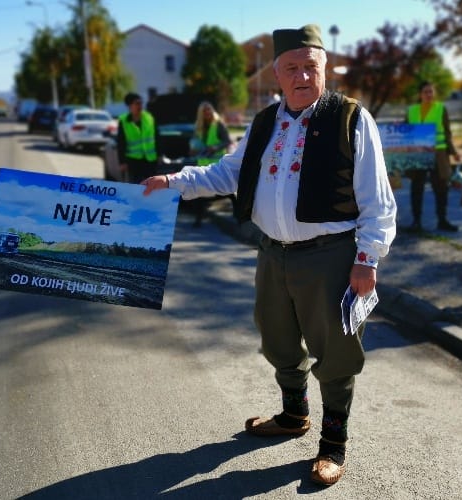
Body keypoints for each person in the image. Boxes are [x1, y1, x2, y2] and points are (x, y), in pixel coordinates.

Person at [141, 24, 396, 486]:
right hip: (272, 253)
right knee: (277, 339)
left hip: (331, 257)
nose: (302, 77)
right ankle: (294, 415)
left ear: (325, 69)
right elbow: (227, 174)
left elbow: (378, 200)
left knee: (336, 353)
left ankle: (333, 444)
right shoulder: (264, 123)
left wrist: (368, 259)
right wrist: (173, 182)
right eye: (292, 68)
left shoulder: (351, 118)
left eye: (310, 67)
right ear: (276, 74)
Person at [404, 81, 462, 232]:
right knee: (417, 188)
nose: (429, 94)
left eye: (431, 91)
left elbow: (447, 133)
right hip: (418, 154)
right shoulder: (411, 111)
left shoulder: (441, 109)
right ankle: (416, 221)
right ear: (420, 94)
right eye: (425, 92)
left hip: (439, 153)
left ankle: (442, 220)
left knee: (441, 188)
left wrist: (454, 152)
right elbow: (405, 132)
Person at [188, 101, 234, 227]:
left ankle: (236, 210)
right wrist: (192, 149)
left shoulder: (218, 124)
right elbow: (195, 143)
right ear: (201, 113)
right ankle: (198, 219)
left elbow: (227, 141)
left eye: (209, 110)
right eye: (205, 111)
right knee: (199, 192)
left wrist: (216, 147)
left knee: (223, 191)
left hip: (216, 165)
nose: (208, 112)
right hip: (202, 164)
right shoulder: (198, 127)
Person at [117, 92, 159, 183]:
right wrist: (122, 162)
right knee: (137, 187)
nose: (140, 106)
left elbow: (157, 137)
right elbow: (121, 142)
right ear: (130, 106)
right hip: (134, 162)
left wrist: (160, 154)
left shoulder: (149, 118)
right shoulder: (124, 121)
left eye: (141, 103)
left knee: (152, 186)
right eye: (137, 103)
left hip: (150, 160)